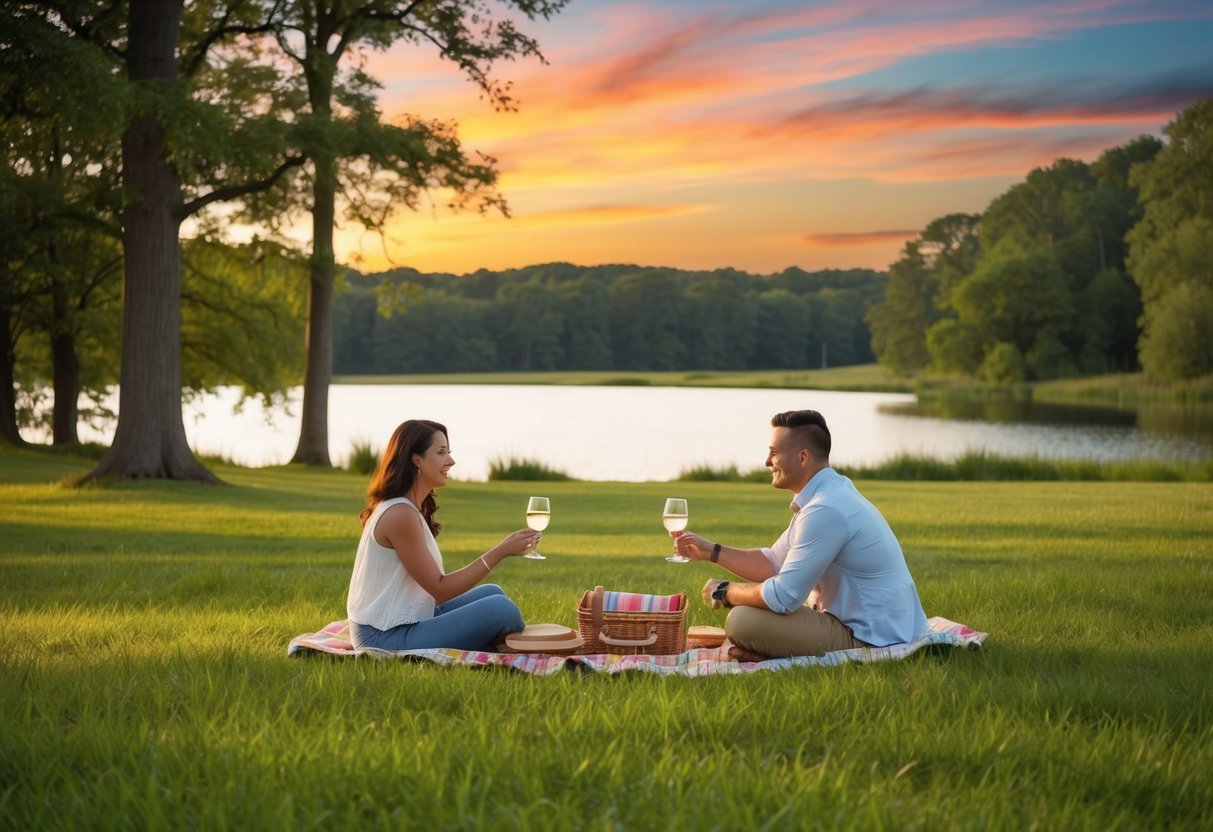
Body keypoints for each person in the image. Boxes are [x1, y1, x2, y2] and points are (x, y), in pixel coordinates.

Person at [672, 409, 929, 660]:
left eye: (773, 453)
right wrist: (711, 552)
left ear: (803, 457)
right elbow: (773, 562)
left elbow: (784, 596)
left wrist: (725, 591)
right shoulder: (826, 496)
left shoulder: (825, 509)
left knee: (742, 620)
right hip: (871, 624)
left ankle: (764, 652)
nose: (767, 462)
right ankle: (764, 651)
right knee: (750, 608)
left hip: (871, 635)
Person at [346, 419, 536, 652]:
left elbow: (431, 592)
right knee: (503, 611)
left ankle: (489, 642)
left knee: (493, 592)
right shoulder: (400, 514)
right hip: (383, 637)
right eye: (441, 452)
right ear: (416, 459)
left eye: (449, 452)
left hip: (405, 621)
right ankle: (494, 644)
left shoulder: (409, 507)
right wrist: (501, 551)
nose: (451, 461)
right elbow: (440, 588)